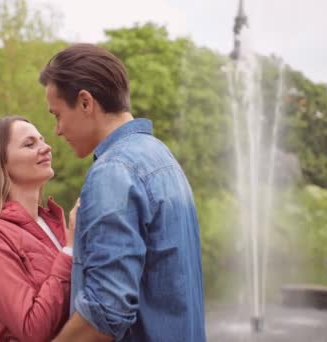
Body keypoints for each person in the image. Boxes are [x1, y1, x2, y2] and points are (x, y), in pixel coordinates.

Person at [39, 44, 206, 341]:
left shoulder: (114, 170)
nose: (57, 130)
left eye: (57, 115)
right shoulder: (161, 158)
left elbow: (107, 310)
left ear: (86, 102)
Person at [0, 116, 77, 342]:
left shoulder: (53, 224)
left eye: (42, 140)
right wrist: (70, 251)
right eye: (30, 144)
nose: (46, 147)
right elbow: (32, 329)